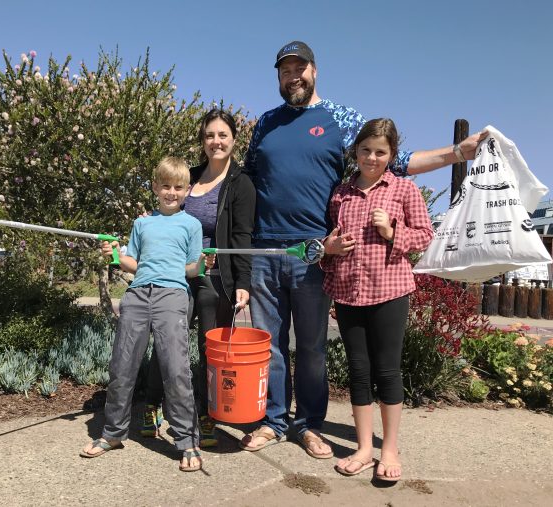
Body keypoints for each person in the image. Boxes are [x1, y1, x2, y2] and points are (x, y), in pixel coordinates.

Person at [240, 40, 487, 458]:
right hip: (266, 252)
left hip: (317, 251)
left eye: (300, 68)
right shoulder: (266, 122)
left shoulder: (340, 118)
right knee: (270, 343)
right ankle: (273, 420)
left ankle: (309, 424)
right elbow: (244, 179)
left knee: (312, 346)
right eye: (285, 70)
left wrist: (459, 153)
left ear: (314, 71)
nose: (293, 76)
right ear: (278, 77)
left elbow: (395, 159)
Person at [321, 118, 433, 481]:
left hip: (389, 292)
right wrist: (330, 248)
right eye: (365, 150)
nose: (371, 157)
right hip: (350, 291)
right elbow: (329, 241)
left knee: (387, 370)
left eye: (380, 152)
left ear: (392, 155)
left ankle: (389, 449)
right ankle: (365, 448)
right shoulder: (340, 193)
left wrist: (391, 231)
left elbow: (425, 236)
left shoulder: (403, 190)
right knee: (358, 371)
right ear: (355, 151)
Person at [80, 157, 206, 472]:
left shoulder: (191, 225)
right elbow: (132, 263)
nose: (171, 192)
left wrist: (204, 264)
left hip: (172, 295)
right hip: (137, 294)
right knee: (122, 365)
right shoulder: (142, 223)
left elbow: (191, 268)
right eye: (165, 186)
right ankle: (112, 433)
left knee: (176, 369)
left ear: (186, 190)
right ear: (155, 187)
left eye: (178, 187)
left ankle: (187, 440)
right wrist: (114, 256)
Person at [141, 109, 256, 448]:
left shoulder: (241, 184)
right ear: (202, 140)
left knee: (208, 349)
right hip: (173, 275)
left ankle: (206, 412)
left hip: (215, 279)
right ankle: (151, 406)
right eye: (209, 135)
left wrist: (243, 284)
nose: (215, 141)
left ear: (234, 139)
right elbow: (167, 213)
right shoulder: (188, 177)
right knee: (166, 342)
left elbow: (242, 237)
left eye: (222, 135)